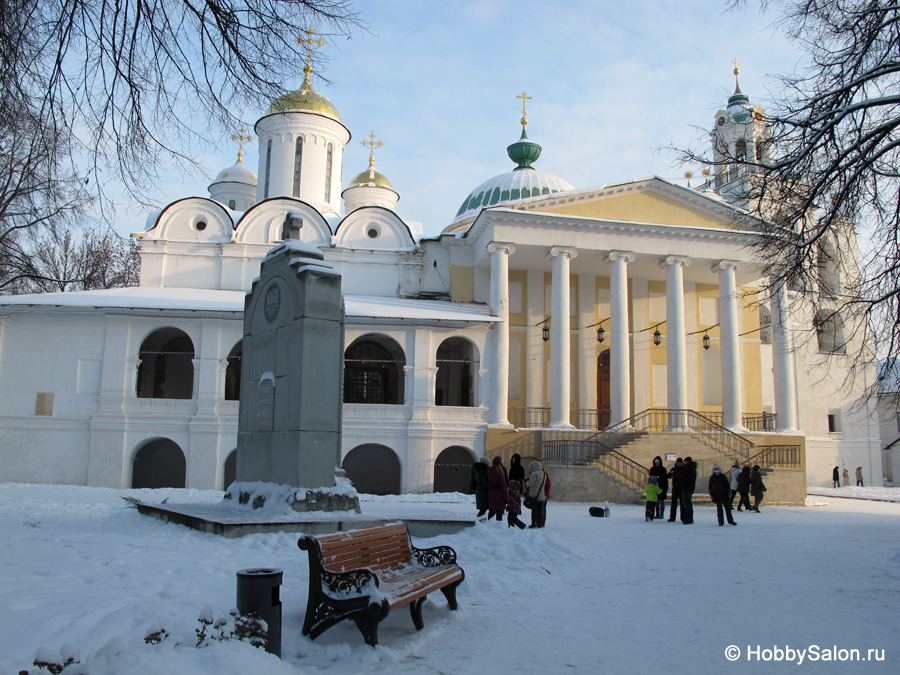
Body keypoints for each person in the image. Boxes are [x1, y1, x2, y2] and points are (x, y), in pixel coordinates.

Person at [525, 460, 548, 528]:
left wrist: (526, 482)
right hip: (541, 495)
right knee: (540, 510)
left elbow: (531, 483)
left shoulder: (534, 474)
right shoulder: (544, 474)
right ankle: (540, 524)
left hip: (534, 495)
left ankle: (533, 523)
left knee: (534, 509)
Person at [486, 456, 509, 522]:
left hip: (491, 493)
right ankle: (498, 526)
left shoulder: (489, 471)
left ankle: (489, 525)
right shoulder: (499, 473)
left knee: (492, 510)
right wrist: (506, 498)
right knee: (499, 511)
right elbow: (503, 486)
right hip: (499, 494)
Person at [680, 456, 697, 524]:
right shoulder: (692, 469)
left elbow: (682, 475)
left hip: (686, 488)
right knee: (688, 503)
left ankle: (689, 518)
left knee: (687, 504)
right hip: (689, 488)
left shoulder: (688, 469)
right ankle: (689, 518)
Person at [667, 457, 684, 522]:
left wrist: (675, 473)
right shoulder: (674, 469)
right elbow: (668, 476)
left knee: (682, 504)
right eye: (678, 463)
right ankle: (672, 517)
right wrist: (671, 473)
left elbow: (680, 476)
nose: (679, 464)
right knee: (673, 503)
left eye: (680, 463)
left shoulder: (683, 469)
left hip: (682, 487)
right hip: (675, 488)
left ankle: (683, 517)